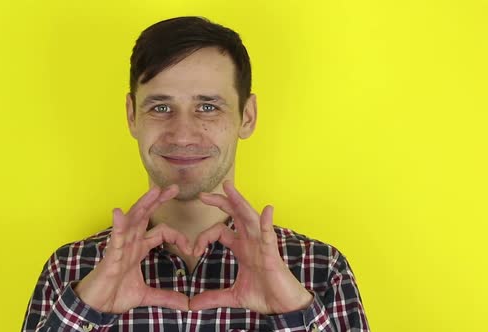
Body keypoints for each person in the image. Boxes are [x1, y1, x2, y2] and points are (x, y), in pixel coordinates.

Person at [21, 16, 369, 332]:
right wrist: (83, 311)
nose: (183, 134)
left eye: (207, 107)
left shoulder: (321, 270)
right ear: (131, 116)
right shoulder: (71, 270)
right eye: (161, 107)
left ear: (247, 117)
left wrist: (296, 315)